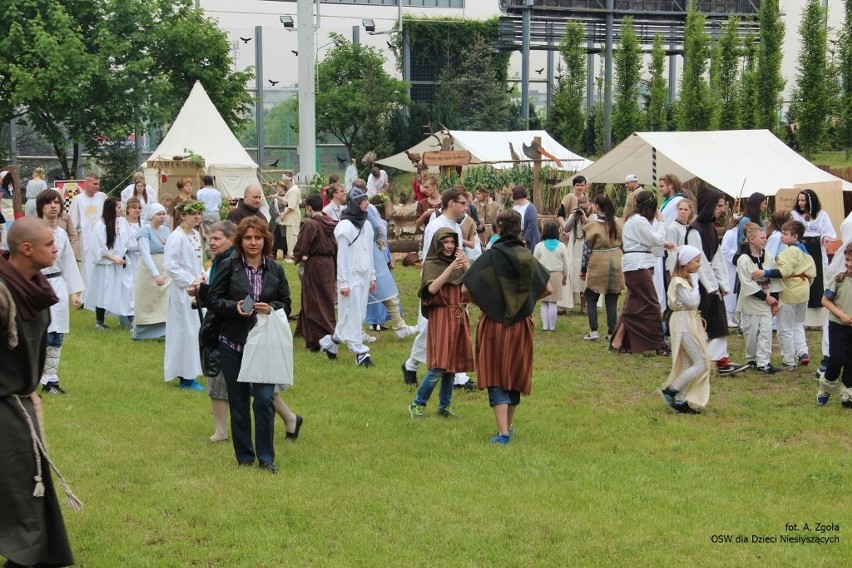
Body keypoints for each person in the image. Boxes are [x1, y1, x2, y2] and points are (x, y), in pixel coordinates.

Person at [0, 217, 76, 568]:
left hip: (20, 407)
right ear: (27, 249)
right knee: (18, 500)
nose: (56, 248)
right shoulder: (3, 294)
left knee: (30, 496)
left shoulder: (36, 290)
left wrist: (32, 394)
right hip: (4, 410)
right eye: (49, 244)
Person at [206, 216, 294, 473]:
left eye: (257, 238)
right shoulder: (229, 266)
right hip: (233, 342)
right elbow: (213, 299)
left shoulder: (275, 270)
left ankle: (266, 458)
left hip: (264, 344)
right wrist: (233, 308)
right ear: (240, 241)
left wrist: (272, 307)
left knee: (265, 399)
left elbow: (286, 304)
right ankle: (245, 457)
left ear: (265, 240)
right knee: (239, 402)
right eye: (248, 238)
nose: (253, 243)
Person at [463, 210, 551, 445]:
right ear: (519, 228)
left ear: (498, 229)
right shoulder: (527, 257)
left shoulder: (491, 256)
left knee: (495, 374)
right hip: (521, 325)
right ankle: (508, 427)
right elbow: (548, 289)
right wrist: (526, 302)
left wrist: (487, 304)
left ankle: (502, 433)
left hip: (494, 324)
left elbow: (465, 290)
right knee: (514, 373)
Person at [401, 187, 467, 386]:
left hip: (455, 285)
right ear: (451, 203)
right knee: (428, 328)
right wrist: (438, 284)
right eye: (462, 203)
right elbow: (431, 259)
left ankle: (458, 377)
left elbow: (459, 254)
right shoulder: (436, 226)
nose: (466, 206)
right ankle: (411, 365)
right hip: (437, 285)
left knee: (455, 328)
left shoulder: (456, 226)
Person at [408, 228, 473, 419]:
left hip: (459, 316)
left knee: (452, 366)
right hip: (441, 316)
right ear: (438, 243)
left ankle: (444, 406)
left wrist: (466, 265)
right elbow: (432, 288)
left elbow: (475, 283)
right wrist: (451, 268)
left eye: (452, 242)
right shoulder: (432, 263)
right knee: (439, 365)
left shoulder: (460, 263)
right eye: (445, 242)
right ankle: (418, 403)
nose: (449, 246)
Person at [686, 188, 749, 375]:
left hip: (712, 285)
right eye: (719, 206)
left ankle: (720, 359)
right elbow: (700, 261)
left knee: (718, 322)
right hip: (701, 284)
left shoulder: (710, 229)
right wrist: (712, 286)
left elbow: (718, 257)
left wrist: (723, 283)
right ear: (709, 206)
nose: (722, 209)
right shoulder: (695, 230)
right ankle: (712, 360)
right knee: (709, 323)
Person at [318, 185, 376, 367]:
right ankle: (360, 352)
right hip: (350, 278)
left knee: (353, 315)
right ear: (355, 204)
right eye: (362, 201)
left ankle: (330, 343)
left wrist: (372, 276)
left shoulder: (366, 224)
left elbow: (369, 251)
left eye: (366, 200)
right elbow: (341, 257)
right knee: (352, 312)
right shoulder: (344, 227)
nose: (366, 203)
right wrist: (343, 282)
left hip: (364, 275)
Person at [609, 190, 673, 356]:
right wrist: (661, 222)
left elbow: (644, 241)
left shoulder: (635, 221)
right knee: (652, 304)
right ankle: (659, 344)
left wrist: (664, 244)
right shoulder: (639, 221)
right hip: (637, 266)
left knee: (633, 305)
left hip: (637, 264)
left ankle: (617, 342)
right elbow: (655, 239)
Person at [36, 190, 84, 396]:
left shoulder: (62, 234)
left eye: (57, 202)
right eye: (49, 203)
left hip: (58, 286)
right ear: (42, 207)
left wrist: (74, 292)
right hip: (38, 286)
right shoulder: (34, 232)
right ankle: (30, 380)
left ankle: (51, 381)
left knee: (56, 336)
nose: (53, 206)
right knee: (41, 336)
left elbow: (68, 263)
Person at [752, 220, 816, 371]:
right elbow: (812, 274)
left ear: (795, 237)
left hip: (790, 292)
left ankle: (789, 360)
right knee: (798, 324)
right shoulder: (805, 251)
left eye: (785, 234)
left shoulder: (789, 252)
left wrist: (765, 273)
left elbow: (784, 272)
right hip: (803, 290)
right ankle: (802, 352)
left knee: (785, 327)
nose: (781, 236)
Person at [194, 220, 237, 442]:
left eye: (217, 238)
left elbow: (227, 293)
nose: (212, 242)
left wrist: (203, 293)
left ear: (231, 240)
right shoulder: (220, 261)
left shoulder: (230, 262)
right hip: (221, 321)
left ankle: (221, 431)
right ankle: (289, 418)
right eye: (210, 238)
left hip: (225, 326)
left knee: (217, 375)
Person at [659, 245, 711, 414]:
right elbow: (692, 301)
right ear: (685, 262)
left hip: (688, 321)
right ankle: (671, 390)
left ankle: (680, 401)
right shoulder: (679, 282)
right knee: (701, 363)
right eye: (696, 261)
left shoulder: (684, 280)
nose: (698, 265)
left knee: (688, 362)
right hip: (683, 324)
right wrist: (696, 284)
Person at [163, 200, 206, 390]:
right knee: (185, 331)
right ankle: (185, 377)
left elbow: (197, 261)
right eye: (193, 213)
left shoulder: (195, 235)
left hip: (196, 289)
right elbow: (170, 265)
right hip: (183, 291)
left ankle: (194, 370)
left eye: (199, 213)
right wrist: (190, 280)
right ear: (182, 215)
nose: (197, 217)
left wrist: (203, 275)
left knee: (196, 330)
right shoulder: (176, 237)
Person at [292, 194, 338, 351]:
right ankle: (304, 331)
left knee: (314, 299)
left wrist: (297, 256)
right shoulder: (331, 222)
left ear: (309, 208)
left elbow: (301, 246)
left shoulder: (311, 225)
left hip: (316, 264)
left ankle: (319, 337)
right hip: (329, 263)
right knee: (325, 297)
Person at [734, 223, 781, 374]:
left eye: (765, 238)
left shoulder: (768, 256)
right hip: (751, 303)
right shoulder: (744, 259)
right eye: (762, 238)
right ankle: (752, 359)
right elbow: (747, 283)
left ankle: (764, 362)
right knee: (751, 333)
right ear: (751, 239)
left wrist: (774, 300)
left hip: (766, 302)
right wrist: (765, 298)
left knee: (766, 332)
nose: (765, 240)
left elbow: (774, 280)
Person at [83, 196, 134, 330]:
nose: (121, 209)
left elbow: (128, 240)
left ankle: (129, 320)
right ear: (111, 209)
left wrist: (123, 255)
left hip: (121, 263)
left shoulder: (123, 222)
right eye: (118, 207)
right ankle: (99, 322)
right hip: (106, 264)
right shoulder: (101, 225)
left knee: (126, 290)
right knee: (103, 292)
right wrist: (113, 258)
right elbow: (99, 246)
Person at [581, 194, 624, 340]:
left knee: (591, 297)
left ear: (597, 207)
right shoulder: (619, 223)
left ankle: (594, 331)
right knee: (611, 300)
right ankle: (612, 333)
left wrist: (583, 269)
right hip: (617, 262)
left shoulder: (592, 226)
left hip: (598, 263)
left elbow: (586, 250)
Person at [816, 242, 852, 407]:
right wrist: (842, 315)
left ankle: (848, 394)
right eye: (847, 259)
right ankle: (826, 388)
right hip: (838, 326)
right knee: (836, 360)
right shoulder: (839, 279)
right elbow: (825, 300)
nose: (849, 263)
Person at [791, 189, 836, 321]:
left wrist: (826, 238)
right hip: (801, 247)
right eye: (799, 200)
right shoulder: (795, 214)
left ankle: (817, 318)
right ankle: (804, 317)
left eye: (803, 200)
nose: (800, 203)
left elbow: (828, 231)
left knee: (817, 279)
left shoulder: (821, 215)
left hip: (816, 248)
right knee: (802, 278)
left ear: (810, 201)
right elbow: (791, 230)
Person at [133, 203, 172, 340]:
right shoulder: (145, 232)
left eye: (163, 214)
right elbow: (145, 254)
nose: (162, 217)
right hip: (149, 269)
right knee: (147, 300)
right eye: (158, 214)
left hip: (164, 267)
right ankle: (144, 332)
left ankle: (164, 331)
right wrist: (155, 274)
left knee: (164, 301)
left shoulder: (166, 230)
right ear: (151, 216)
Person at [68, 173, 106, 299]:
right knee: (86, 266)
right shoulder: (78, 199)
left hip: (102, 237)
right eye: (94, 183)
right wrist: (73, 239)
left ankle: (101, 294)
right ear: (86, 184)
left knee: (102, 264)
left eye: (98, 183)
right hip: (85, 237)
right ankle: (86, 297)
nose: (97, 186)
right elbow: (73, 221)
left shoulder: (102, 197)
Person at [533, 221, 569, 332]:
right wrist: (565, 277)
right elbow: (566, 264)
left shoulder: (539, 246)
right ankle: (552, 327)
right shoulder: (562, 246)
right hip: (557, 275)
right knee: (553, 302)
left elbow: (534, 262)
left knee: (544, 301)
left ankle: (545, 326)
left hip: (543, 275)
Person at [563, 194, 592, 313]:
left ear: (590, 206)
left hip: (587, 250)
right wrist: (573, 217)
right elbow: (566, 229)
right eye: (582, 208)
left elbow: (591, 230)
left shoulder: (593, 217)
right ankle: (566, 303)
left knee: (585, 279)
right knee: (572, 275)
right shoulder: (574, 216)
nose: (584, 210)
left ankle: (583, 306)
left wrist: (585, 217)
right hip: (574, 249)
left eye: (586, 208)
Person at [280, 178, 302, 264]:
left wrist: (283, 214)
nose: (283, 181)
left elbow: (291, 206)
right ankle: (292, 255)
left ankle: (294, 257)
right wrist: (275, 196)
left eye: (284, 179)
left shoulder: (293, 190)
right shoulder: (292, 189)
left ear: (288, 179)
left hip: (293, 216)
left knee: (293, 237)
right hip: (292, 217)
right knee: (290, 237)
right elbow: (285, 200)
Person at [512, 185, 540, 252]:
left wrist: (525, 239)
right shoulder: (515, 207)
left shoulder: (531, 208)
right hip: (517, 234)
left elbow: (532, 225)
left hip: (529, 235)